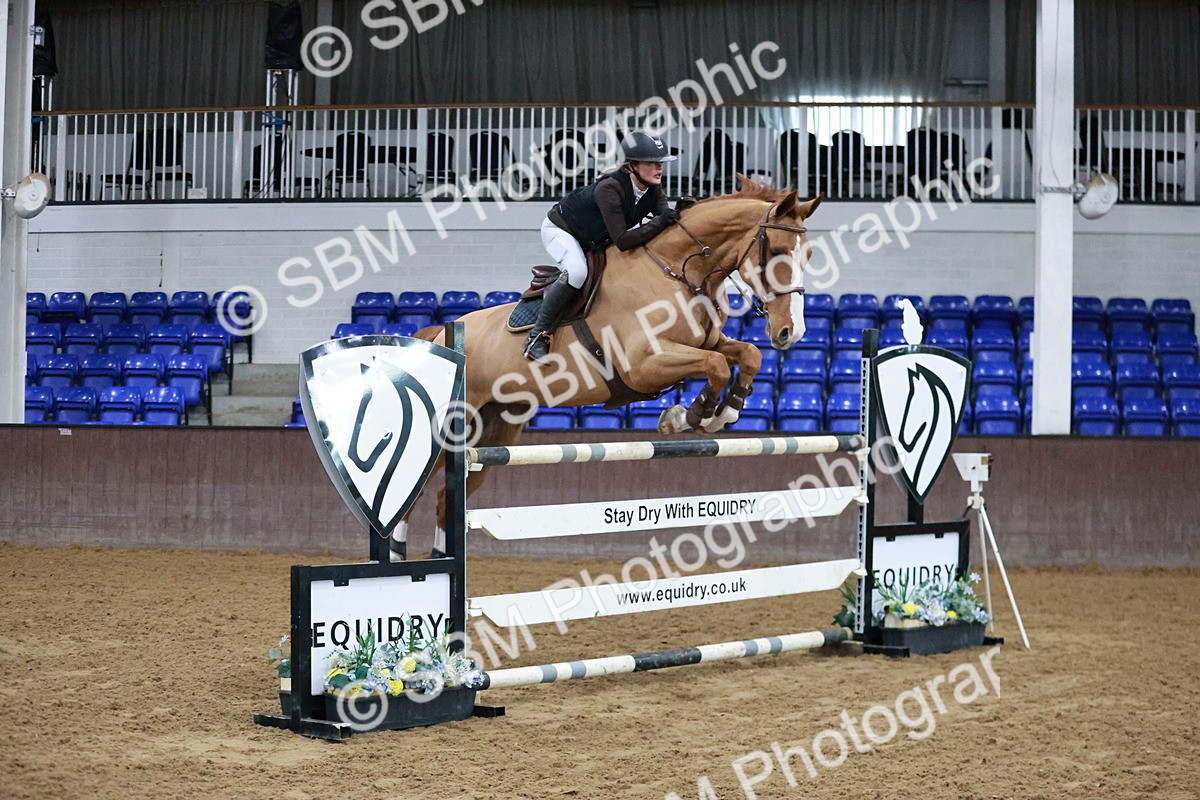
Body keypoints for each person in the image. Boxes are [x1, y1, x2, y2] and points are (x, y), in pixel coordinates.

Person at [523, 131, 680, 362]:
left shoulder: (653, 187)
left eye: (661, 163)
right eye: (652, 163)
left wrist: (683, 213)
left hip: (596, 238)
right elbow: (624, 241)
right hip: (562, 230)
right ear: (633, 166)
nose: (659, 169)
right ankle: (537, 336)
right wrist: (662, 219)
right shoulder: (610, 189)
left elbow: (664, 219)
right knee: (577, 272)